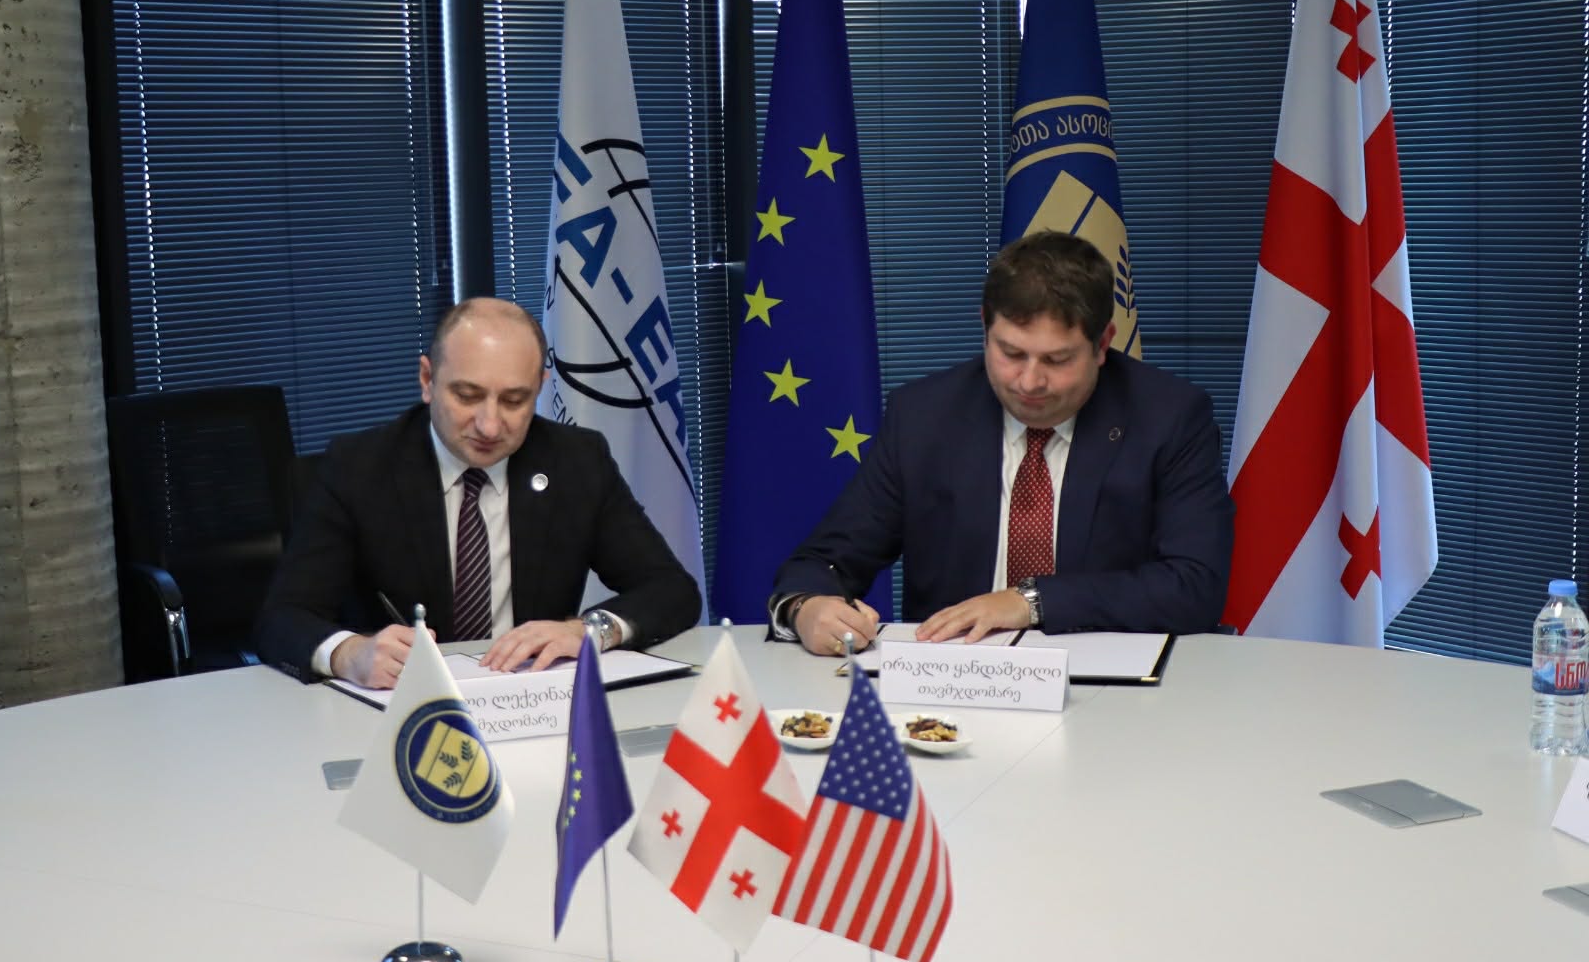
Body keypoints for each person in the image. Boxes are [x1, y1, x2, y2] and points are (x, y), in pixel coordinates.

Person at [769, 231, 1234, 654]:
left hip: (1112, 683)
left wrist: (1031, 602)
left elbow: (1194, 586)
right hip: (954, 681)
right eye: (1011, 353)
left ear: (1102, 344)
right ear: (985, 327)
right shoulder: (924, 417)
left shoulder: (1168, 418)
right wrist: (805, 607)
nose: (1030, 381)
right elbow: (826, 560)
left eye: (1057, 360)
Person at [256, 297, 701, 687]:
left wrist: (590, 630)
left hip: (534, 698)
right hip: (403, 709)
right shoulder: (360, 467)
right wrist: (349, 654)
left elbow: (672, 590)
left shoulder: (577, 462)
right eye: (468, 396)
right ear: (427, 380)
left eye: (514, 401)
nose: (489, 426)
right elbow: (282, 617)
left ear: (540, 388)